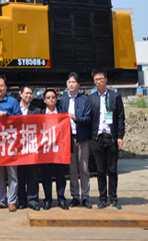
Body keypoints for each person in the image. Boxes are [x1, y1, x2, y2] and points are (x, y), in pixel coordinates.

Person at [90, 68, 125, 210]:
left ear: (106, 80)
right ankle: (102, 199)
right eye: (96, 80)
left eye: (101, 79)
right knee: (100, 171)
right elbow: (90, 119)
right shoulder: (91, 98)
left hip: (112, 138)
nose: (99, 82)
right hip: (98, 139)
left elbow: (120, 118)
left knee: (112, 170)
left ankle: (114, 198)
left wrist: (120, 136)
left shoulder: (115, 97)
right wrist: (91, 138)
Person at [58, 72, 92, 209]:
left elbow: (88, 118)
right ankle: (75, 196)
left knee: (84, 168)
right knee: (72, 169)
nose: (71, 84)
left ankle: (86, 196)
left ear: (78, 84)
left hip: (82, 137)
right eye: (69, 82)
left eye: (73, 82)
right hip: (68, 138)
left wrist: (76, 118)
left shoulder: (85, 99)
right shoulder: (63, 100)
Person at [0, 74, 22, 212]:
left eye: (1, 86)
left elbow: (20, 119)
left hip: (11, 142)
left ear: (6, 87)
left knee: (12, 173)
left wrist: (8, 116)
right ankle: (1, 200)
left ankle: (12, 201)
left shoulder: (13, 102)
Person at [39, 89, 69, 210]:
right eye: (48, 97)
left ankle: (61, 199)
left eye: (53, 97)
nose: (51, 99)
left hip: (59, 150)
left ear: (56, 99)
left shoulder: (62, 114)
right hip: (45, 150)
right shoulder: (40, 114)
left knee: (60, 176)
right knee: (46, 176)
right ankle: (48, 199)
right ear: (44, 100)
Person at [17, 85, 41, 211]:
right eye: (26, 93)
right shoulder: (15, 109)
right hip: (18, 147)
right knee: (19, 175)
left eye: (31, 93)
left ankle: (33, 200)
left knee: (33, 175)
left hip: (32, 147)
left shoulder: (36, 110)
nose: (29, 96)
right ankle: (22, 200)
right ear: (20, 94)